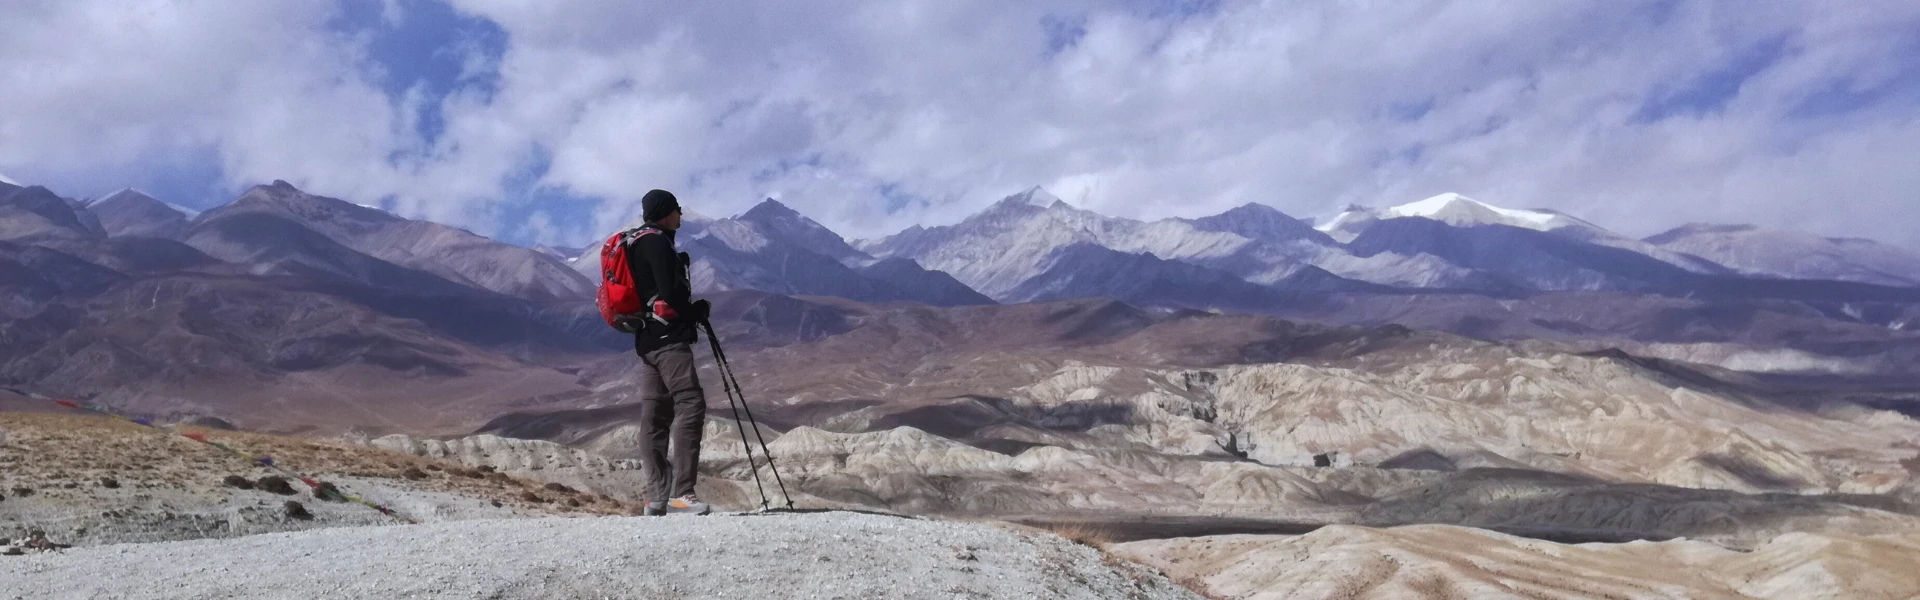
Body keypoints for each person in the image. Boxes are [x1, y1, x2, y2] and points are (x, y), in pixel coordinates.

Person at [629, 189, 712, 516]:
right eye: (677, 209)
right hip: (668, 341)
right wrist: (695, 311)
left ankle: (656, 498)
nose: (681, 214)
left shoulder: (634, 243)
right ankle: (682, 495)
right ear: (666, 212)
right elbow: (671, 293)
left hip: (646, 341)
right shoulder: (657, 242)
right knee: (690, 403)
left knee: (654, 416)